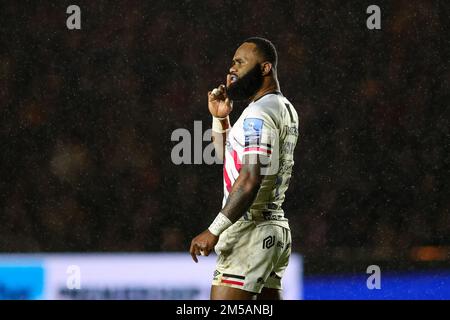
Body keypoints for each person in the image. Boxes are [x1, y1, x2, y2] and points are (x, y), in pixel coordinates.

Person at [189, 37, 299, 300]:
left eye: (240, 62)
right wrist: (221, 118)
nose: (232, 69)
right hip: (273, 230)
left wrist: (214, 230)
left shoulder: (258, 115)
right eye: (231, 63)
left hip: (249, 233)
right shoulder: (283, 108)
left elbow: (249, 179)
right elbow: (232, 161)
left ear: (265, 68)